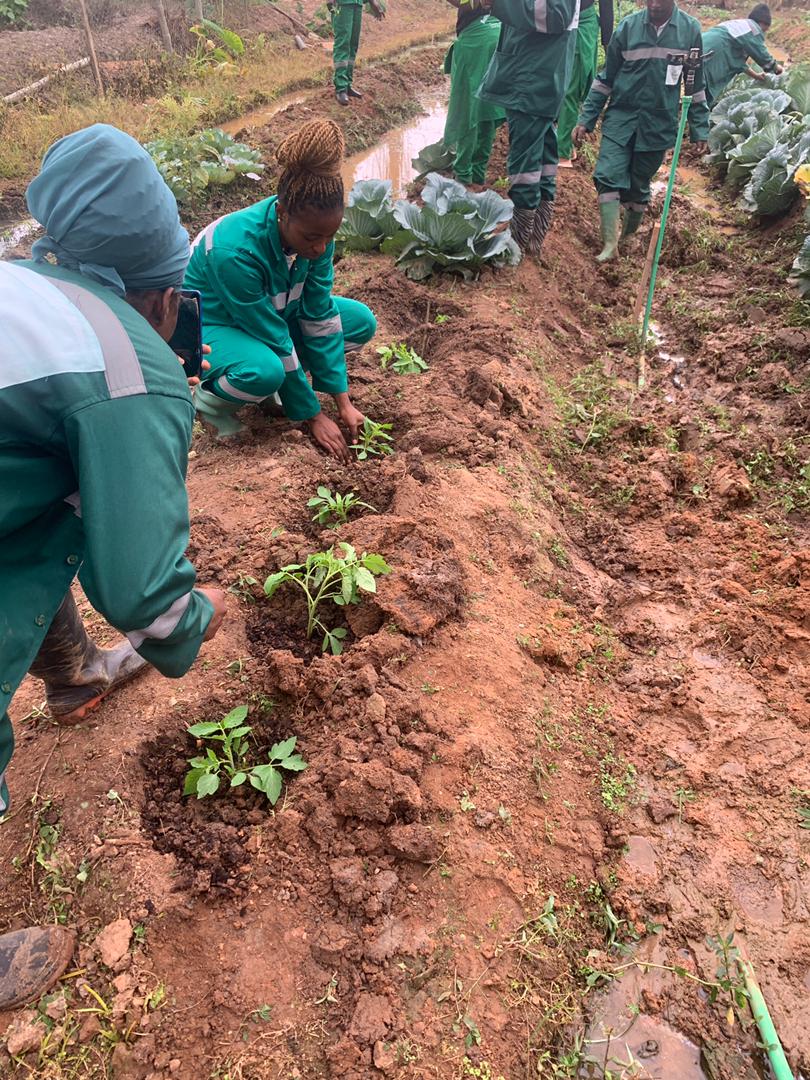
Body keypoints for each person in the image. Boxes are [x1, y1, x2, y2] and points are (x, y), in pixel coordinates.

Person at [0, 123, 227, 1009]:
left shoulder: (24, 282)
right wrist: (194, 613)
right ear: (166, 290)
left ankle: (70, 675)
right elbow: (143, 592)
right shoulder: (125, 361)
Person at [185, 119, 376, 462]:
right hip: (214, 324)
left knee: (360, 322)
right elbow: (273, 335)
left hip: (271, 313)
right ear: (282, 213)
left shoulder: (315, 234)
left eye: (328, 237)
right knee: (265, 369)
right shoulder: (234, 251)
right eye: (311, 239)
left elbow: (320, 315)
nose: (320, 249)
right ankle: (208, 402)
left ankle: (280, 390)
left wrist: (343, 402)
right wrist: (313, 415)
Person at [573, 0, 710, 262]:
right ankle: (610, 244)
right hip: (621, 118)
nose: (654, 5)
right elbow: (606, 78)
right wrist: (586, 118)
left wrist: (699, 128)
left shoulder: (689, 30)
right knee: (607, 175)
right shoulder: (628, 27)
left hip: (658, 124)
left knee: (638, 185)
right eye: (650, 0)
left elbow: (695, 83)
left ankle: (628, 238)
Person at [478, 0, 581, 257]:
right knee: (543, 155)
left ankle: (518, 241)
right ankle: (534, 237)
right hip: (536, 72)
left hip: (533, 75)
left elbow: (555, 15)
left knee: (525, 162)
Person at [442, 0, 504, 187]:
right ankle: (478, 175)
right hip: (500, 34)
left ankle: (462, 174)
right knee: (489, 106)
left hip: (475, 41)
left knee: (468, 108)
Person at [557, 0, 615, 168]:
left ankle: (562, 151)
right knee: (555, 83)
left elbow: (606, 6)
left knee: (572, 89)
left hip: (580, 23)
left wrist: (608, 46)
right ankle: (560, 140)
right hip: (555, 19)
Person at [702, 4, 783, 109]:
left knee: (697, 93)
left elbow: (738, 61)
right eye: (765, 30)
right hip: (711, 56)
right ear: (763, 23)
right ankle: (697, 122)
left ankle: (691, 119)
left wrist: (756, 76)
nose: (763, 33)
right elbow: (762, 55)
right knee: (703, 95)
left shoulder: (739, 25)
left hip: (699, 51)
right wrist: (776, 68)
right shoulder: (753, 29)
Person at [330, 0, 384, 107]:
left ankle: (347, 84)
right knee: (343, 44)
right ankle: (341, 88)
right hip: (342, 4)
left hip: (357, 4)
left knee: (352, 44)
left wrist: (373, 2)